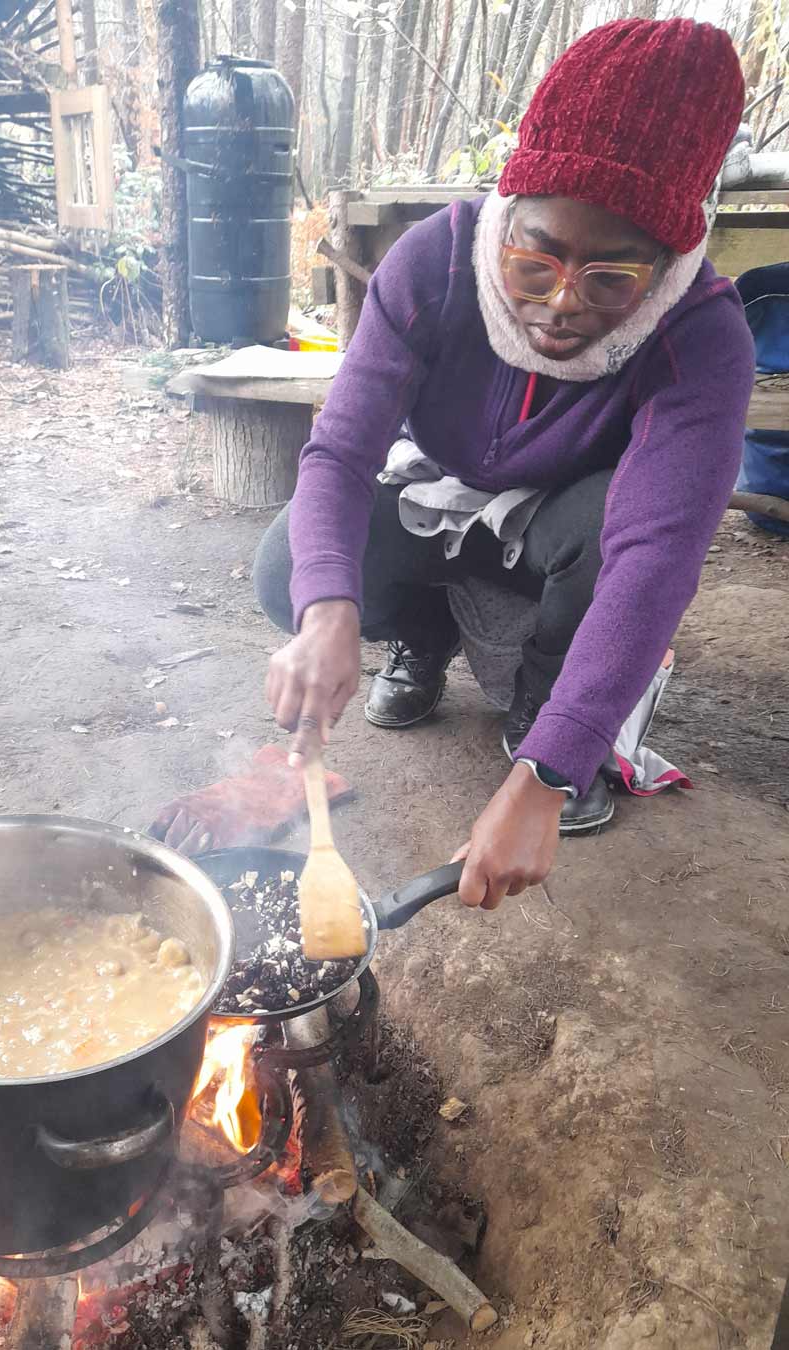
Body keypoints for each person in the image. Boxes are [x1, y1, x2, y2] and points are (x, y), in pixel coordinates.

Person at [254, 17, 753, 912]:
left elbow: (655, 561)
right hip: (445, 495)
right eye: (536, 262)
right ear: (508, 211)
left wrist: (551, 771)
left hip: (564, 534)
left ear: (666, 265)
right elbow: (341, 451)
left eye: (610, 280)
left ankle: (543, 705)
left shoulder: (701, 333)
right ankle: (424, 638)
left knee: (609, 538)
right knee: (290, 560)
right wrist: (326, 612)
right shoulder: (436, 264)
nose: (561, 306)